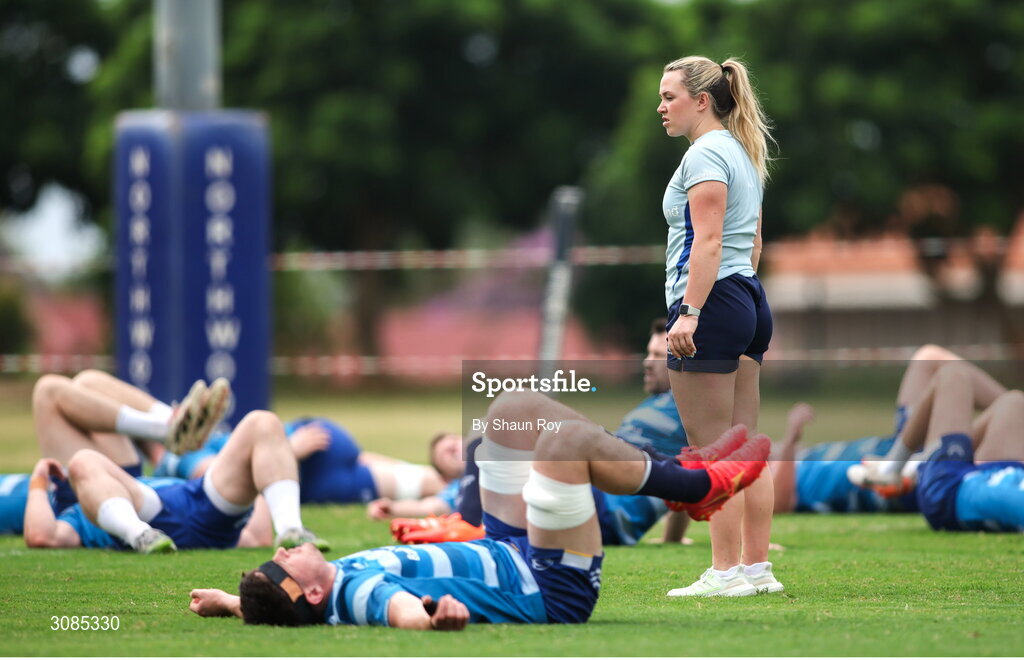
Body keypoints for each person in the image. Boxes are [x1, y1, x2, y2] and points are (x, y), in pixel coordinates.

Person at [187, 392, 771, 628]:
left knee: (505, 417)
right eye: (285, 561)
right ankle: (693, 486)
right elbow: (400, 612)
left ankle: (679, 479)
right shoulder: (354, 594)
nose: (284, 550)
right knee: (561, 446)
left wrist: (233, 604)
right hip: (550, 584)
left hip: (506, 547)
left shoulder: (320, 592)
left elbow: (284, 602)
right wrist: (435, 618)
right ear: (310, 593)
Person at [375, 319, 696, 547]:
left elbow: (700, 458)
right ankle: (467, 522)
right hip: (594, 483)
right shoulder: (649, 406)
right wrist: (672, 537)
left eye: (658, 355)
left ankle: (469, 524)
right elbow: (688, 461)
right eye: (648, 353)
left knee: (495, 429)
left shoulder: (690, 402)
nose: (646, 362)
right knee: (497, 436)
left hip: (607, 503)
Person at [657, 56, 778, 596]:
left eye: (669, 97)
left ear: (701, 100)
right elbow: (752, 245)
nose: (661, 107)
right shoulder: (740, 150)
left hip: (714, 303)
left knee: (712, 450)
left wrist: (690, 312)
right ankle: (756, 569)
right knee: (744, 445)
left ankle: (726, 573)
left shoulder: (705, 152)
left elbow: (707, 243)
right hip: (747, 297)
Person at [23, 409, 327, 553]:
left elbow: (255, 537)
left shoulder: (123, 485)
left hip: (199, 505)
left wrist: (258, 476)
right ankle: (142, 536)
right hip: (147, 516)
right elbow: (41, 536)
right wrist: (38, 480)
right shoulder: (76, 519)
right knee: (82, 460)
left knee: (263, 422)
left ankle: (291, 528)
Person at [773, 344, 1006, 513]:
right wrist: (791, 437)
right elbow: (781, 502)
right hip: (894, 483)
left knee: (930, 359)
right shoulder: (755, 480)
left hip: (900, 446)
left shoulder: (772, 456)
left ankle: (1013, 415)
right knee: (984, 438)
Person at [850, 361, 1024, 532]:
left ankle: (891, 470)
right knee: (1014, 402)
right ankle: (915, 466)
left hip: (951, 493)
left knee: (953, 375)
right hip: (1003, 471)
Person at [31, 370, 229, 513]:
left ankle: (167, 428)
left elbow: (215, 479)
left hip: (90, 501)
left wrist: (37, 485)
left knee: (46, 390)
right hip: (123, 482)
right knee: (88, 381)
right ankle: (170, 421)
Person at [159, 418, 460, 507]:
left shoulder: (212, 435)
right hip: (314, 475)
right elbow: (224, 477)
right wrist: (291, 449)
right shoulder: (184, 454)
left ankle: (462, 480)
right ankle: (465, 485)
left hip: (340, 459)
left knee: (433, 479)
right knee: (436, 486)